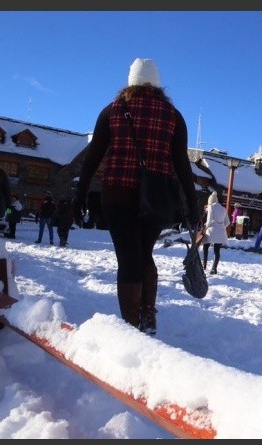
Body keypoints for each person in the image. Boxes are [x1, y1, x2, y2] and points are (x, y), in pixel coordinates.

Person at [75, 57, 199, 335]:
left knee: (128, 258)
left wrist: (80, 194)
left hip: (117, 195)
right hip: (156, 198)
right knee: (145, 255)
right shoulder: (173, 115)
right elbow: (182, 164)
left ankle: (130, 326)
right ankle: (148, 316)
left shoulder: (114, 110)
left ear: (129, 81)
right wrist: (192, 203)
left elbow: (92, 157)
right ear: (157, 83)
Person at [199, 191, 230, 275]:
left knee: (205, 247)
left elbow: (209, 220)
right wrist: (221, 227)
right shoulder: (224, 209)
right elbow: (228, 222)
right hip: (221, 232)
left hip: (211, 231)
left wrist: (205, 227)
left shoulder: (211, 207)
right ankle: (214, 268)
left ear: (210, 201)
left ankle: (203, 265)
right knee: (217, 250)